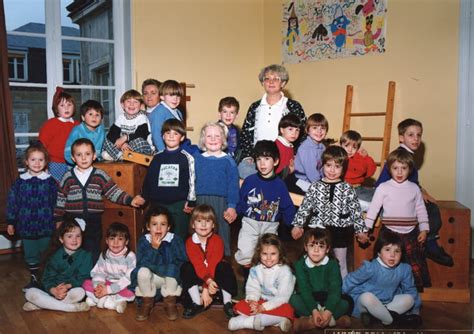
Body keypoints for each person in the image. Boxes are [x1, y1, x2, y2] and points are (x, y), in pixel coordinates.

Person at [375, 118, 453, 267]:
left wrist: (421, 190)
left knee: (428, 204)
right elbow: (382, 184)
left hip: (399, 192)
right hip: (390, 196)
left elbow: (411, 182)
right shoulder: (401, 155)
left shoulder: (407, 155)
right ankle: (430, 244)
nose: (416, 139)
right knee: (431, 209)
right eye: (411, 135)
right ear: (401, 137)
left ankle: (429, 241)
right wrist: (418, 191)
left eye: (419, 135)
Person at [55, 138, 145, 262]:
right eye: (79, 155)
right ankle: (73, 275)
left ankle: (92, 275)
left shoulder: (100, 175)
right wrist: (59, 219)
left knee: (93, 249)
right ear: (73, 158)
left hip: (93, 220)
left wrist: (130, 200)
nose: (83, 158)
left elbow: (113, 192)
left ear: (94, 156)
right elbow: (60, 198)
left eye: (87, 154)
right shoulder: (68, 177)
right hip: (73, 220)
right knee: (73, 249)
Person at [291, 146, 369, 278]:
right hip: (319, 229)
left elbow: (356, 211)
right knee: (316, 260)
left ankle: (343, 291)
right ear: (322, 165)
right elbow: (305, 207)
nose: (332, 170)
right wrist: (298, 225)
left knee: (340, 263)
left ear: (343, 168)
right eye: (328, 165)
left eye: (337, 166)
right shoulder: (315, 186)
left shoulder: (347, 188)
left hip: (341, 231)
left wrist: (360, 230)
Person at [365, 149, 431, 290]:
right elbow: (373, 209)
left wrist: (424, 229)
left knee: (413, 261)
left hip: (411, 232)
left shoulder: (414, 188)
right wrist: (366, 229)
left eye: (404, 168)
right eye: (395, 168)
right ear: (389, 169)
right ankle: (384, 286)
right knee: (387, 260)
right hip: (389, 232)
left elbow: (421, 210)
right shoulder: (383, 188)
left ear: (410, 169)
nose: (399, 172)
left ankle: (413, 289)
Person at [235, 140, 295, 271]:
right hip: (249, 222)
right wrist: (234, 211)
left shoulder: (280, 185)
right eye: (259, 159)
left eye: (267, 159)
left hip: (270, 225)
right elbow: (241, 200)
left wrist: (295, 225)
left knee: (268, 254)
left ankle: (266, 278)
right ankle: (248, 276)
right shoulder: (250, 181)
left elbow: (287, 206)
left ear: (275, 161)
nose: (262, 163)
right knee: (245, 252)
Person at [343, 229, 422, 328]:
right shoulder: (370, 268)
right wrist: (338, 295)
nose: (392, 255)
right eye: (387, 250)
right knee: (367, 297)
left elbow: (410, 290)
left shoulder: (404, 269)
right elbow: (351, 280)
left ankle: (377, 318)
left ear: (402, 254)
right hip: (366, 305)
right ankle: (395, 321)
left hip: (388, 303)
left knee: (409, 299)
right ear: (379, 253)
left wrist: (415, 312)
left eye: (397, 251)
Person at [238, 64, 306, 178]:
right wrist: (248, 156)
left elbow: (302, 134)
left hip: (282, 161)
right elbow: (245, 134)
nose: (271, 82)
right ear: (262, 83)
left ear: (283, 83)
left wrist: (294, 157)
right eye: (267, 79)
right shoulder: (255, 107)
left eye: (276, 79)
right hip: (258, 161)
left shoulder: (293, 107)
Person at [7, 142, 57, 291]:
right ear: (26, 162)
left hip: (46, 226)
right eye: (33, 159)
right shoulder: (20, 182)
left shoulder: (50, 182)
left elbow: (57, 202)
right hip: (26, 226)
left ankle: (47, 280)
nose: (37, 163)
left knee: (46, 253)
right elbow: (12, 202)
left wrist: (58, 219)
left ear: (46, 162)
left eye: (41, 160)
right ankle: (34, 278)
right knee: (30, 254)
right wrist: (10, 221)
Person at [23, 217, 92, 312]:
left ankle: (44, 305)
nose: (74, 240)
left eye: (78, 236)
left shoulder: (86, 256)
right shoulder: (54, 256)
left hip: (71, 290)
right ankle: (69, 308)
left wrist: (68, 286)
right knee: (30, 293)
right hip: (53, 291)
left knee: (80, 292)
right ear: (61, 239)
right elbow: (47, 279)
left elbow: (84, 277)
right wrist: (54, 290)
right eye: (69, 236)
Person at [142, 119, 196, 240]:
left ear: (181, 137)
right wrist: (144, 196)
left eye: (176, 133)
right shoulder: (157, 157)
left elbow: (192, 180)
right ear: (162, 136)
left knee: (178, 237)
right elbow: (149, 179)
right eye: (168, 133)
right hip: (158, 204)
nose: (171, 136)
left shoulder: (187, 158)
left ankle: (177, 259)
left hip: (179, 205)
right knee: (158, 236)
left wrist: (191, 201)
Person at [181, 205, 237, 319]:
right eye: (199, 221)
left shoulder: (217, 241)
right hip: (201, 276)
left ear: (213, 225)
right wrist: (206, 283)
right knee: (186, 267)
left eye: (207, 221)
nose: (203, 224)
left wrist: (207, 288)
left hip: (215, 277)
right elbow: (198, 265)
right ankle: (197, 302)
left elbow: (213, 265)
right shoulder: (190, 242)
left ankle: (227, 303)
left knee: (224, 267)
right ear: (193, 224)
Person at [131, 206, 187, 321]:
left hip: (169, 280)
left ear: (169, 227)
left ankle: (170, 303)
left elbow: (181, 262)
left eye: (163, 224)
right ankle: (147, 302)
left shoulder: (175, 240)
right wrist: (154, 249)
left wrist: (163, 250)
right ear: (148, 226)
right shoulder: (144, 241)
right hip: (151, 280)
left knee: (173, 269)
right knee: (142, 272)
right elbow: (141, 263)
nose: (158, 228)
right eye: (154, 224)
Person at [229, 233, 295, 332]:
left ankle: (247, 322)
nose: (268, 258)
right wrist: (252, 301)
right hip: (261, 301)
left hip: (279, 303)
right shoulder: (255, 269)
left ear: (280, 253)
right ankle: (275, 321)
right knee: (240, 306)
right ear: (259, 253)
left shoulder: (285, 271)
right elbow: (252, 288)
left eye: (273, 254)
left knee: (288, 310)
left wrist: (263, 308)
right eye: (264, 254)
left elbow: (283, 297)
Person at [291, 228, 353, 331]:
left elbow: (335, 289)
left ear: (327, 249)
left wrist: (328, 311)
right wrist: (314, 311)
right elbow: (304, 290)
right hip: (310, 298)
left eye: (321, 246)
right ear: (306, 247)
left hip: (327, 297)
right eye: (312, 246)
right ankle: (331, 321)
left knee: (347, 302)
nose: (316, 250)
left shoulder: (332, 263)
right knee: (294, 300)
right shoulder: (300, 264)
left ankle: (312, 322)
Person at [194, 122, 239, 256]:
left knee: (221, 232)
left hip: (222, 203)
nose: (213, 139)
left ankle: (222, 261)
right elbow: (191, 181)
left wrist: (232, 206)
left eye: (217, 136)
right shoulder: (197, 159)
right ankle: (201, 259)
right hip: (201, 200)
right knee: (201, 230)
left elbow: (233, 186)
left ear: (223, 140)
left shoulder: (228, 161)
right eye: (209, 136)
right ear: (203, 140)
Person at [82, 223, 136, 313]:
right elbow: (99, 272)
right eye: (112, 239)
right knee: (86, 283)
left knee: (131, 292)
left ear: (126, 241)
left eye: (120, 239)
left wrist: (108, 290)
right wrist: (98, 286)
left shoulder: (130, 257)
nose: (115, 242)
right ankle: (109, 300)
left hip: (123, 285)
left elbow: (128, 279)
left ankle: (103, 300)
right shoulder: (104, 255)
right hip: (106, 283)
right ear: (106, 240)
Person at [39, 87, 79, 182]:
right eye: (62, 105)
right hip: (54, 163)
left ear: (74, 107)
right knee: (56, 187)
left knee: (72, 186)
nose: (66, 108)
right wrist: (43, 165)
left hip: (75, 163)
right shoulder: (50, 124)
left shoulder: (78, 125)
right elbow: (41, 146)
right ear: (56, 109)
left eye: (69, 104)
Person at [102, 89, 153, 161]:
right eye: (128, 101)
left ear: (141, 106)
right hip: (124, 147)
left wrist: (125, 138)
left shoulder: (142, 117)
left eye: (135, 102)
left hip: (142, 148)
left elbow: (141, 135)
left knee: (139, 141)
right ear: (123, 105)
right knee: (107, 138)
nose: (131, 104)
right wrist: (122, 144)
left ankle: (118, 155)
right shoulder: (121, 117)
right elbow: (112, 134)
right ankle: (120, 156)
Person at [293, 113, 329, 193]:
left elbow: (322, 167)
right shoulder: (306, 148)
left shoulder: (322, 147)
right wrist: (322, 187)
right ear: (307, 130)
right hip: (302, 181)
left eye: (322, 128)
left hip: (315, 180)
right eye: (315, 128)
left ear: (326, 131)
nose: (319, 131)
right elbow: (312, 173)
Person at [340, 130, 376, 205]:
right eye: (346, 146)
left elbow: (370, 172)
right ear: (341, 145)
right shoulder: (339, 156)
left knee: (378, 194)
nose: (350, 150)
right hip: (344, 189)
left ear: (358, 148)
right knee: (370, 200)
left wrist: (366, 157)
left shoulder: (359, 158)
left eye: (354, 147)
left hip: (358, 187)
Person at [64, 100, 105, 165]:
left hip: (95, 165)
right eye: (90, 114)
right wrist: (77, 163)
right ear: (83, 117)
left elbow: (103, 148)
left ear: (101, 119)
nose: (94, 117)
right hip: (77, 165)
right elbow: (67, 152)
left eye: (97, 115)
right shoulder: (77, 131)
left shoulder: (102, 130)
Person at [149, 80, 185, 152]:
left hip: (175, 147)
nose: (175, 99)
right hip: (159, 150)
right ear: (162, 96)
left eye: (178, 96)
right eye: (171, 95)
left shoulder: (178, 112)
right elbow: (156, 136)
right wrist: (163, 153)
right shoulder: (159, 112)